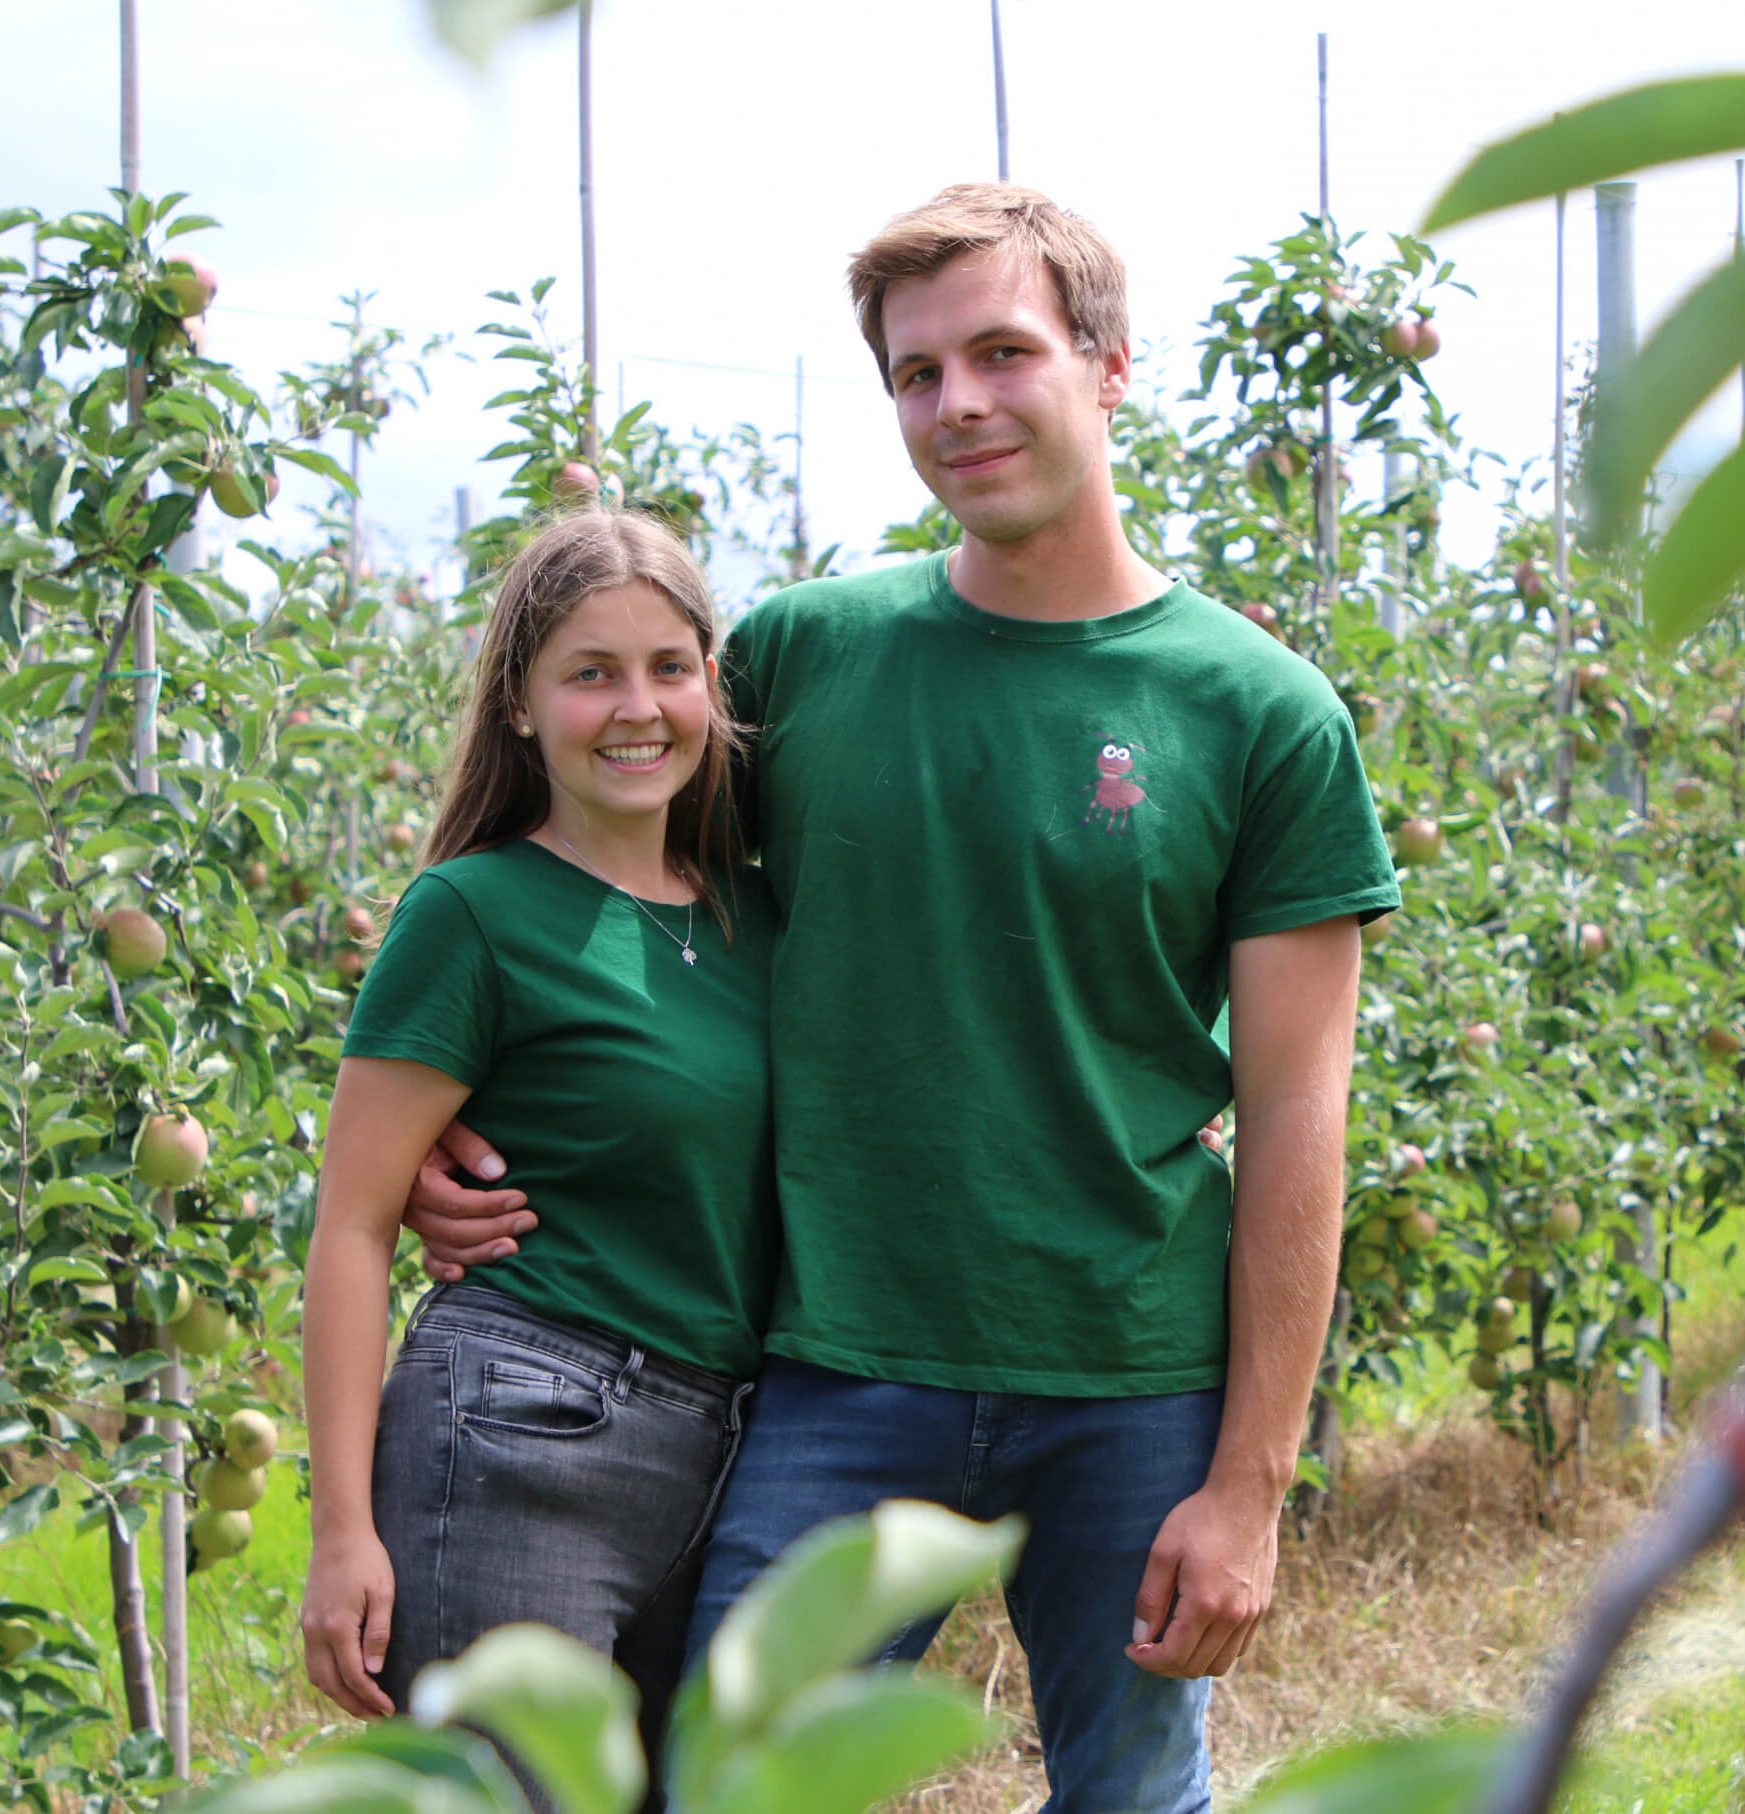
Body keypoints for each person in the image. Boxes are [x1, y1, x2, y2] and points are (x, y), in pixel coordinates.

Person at [408, 183, 1398, 1814]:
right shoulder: (803, 658)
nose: (959, 403)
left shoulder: (1258, 711)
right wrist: (467, 1101)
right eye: (917, 373)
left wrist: (1251, 1481)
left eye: (1002, 352)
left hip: (1137, 1371)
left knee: (1134, 1795)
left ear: (1110, 365)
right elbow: (614, 895)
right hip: (835, 1363)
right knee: (729, 1785)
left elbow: (1299, 1108)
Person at [298, 509, 780, 1780]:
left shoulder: (754, 917)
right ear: (519, 704)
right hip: (523, 1433)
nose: (637, 706)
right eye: (590, 672)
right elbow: (349, 1223)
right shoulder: (474, 912)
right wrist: (339, 1527)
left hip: (735, 1452)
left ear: (711, 685)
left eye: (669, 667)